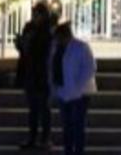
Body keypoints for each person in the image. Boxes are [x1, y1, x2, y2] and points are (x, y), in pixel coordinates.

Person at [49, 23, 96, 155]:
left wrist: (78, 86)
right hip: (63, 92)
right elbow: (53, 69)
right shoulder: (57, 49)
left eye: (58, 37)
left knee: (77, 125)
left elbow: (90, 68)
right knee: (67, 126)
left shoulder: (81, 47)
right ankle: (68, 150)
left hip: (80, 94)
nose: (57, 40)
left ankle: (78, 151)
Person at [15, 3, 53, 150]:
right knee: (33, 108)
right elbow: (25, 50)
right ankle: (32, 137)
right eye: (34, 14)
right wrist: (21, 44)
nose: (35, 17)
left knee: (43, 108)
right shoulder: (29, 27)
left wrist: (29, 44)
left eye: (38, 14)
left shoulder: (47, 30)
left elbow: (45, 50)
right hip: (30, 71)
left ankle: (45, 138)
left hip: (42, 73)